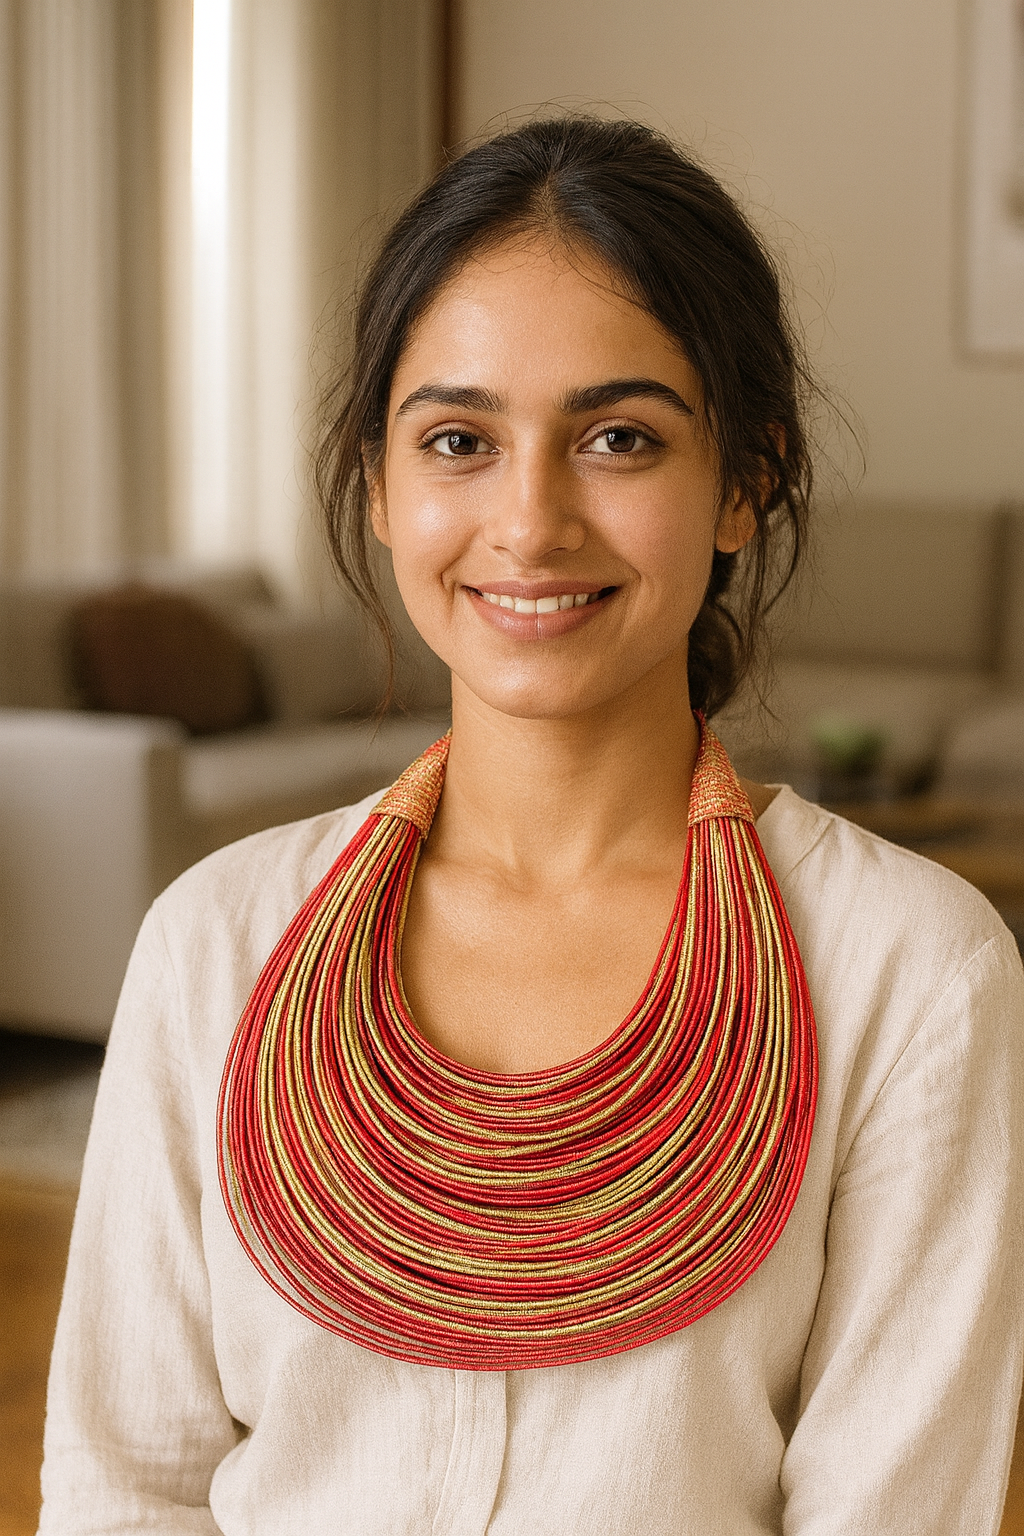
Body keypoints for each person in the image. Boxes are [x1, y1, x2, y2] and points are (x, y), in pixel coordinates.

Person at [40, 116, 1024, 1535]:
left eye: (619, 437)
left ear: (745, 477)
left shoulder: (914, 975)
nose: (531, 519)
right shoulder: (213, 943)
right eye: (459, 439)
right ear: (379, 483)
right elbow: (125, 1487)